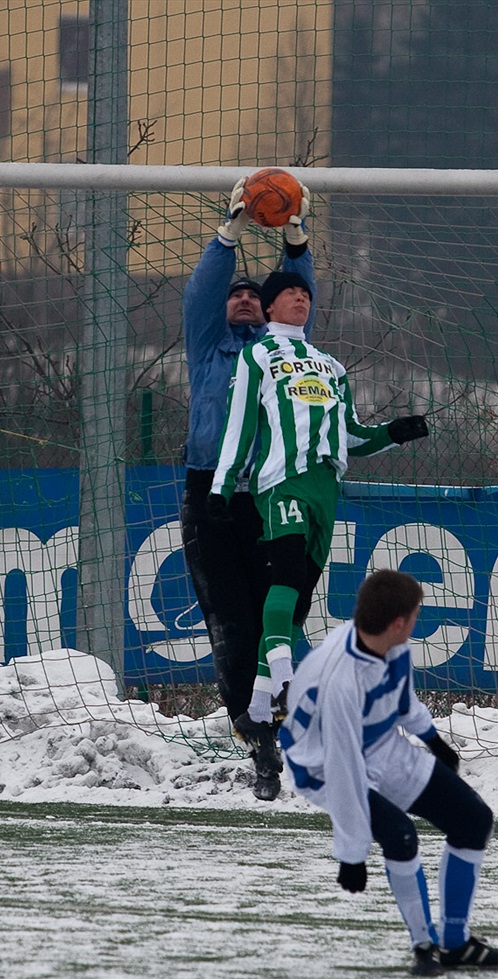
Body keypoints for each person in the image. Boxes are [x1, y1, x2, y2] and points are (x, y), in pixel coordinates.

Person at [207, 274, 428, 798]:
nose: (301, 297)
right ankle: (286, 673)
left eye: (306, 293)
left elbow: (351, 434)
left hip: (326, 488)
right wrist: (221, 488)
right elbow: (239, 425)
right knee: (283, 572)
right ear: (268, 305)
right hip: (279, 480)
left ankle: (263, 712)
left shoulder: (331, 366)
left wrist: (392, 434)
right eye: (290, 292)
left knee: (299, 596)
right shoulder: (258, 356)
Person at [279, 568, 498, 977]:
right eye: (417, 614)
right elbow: (344, 767)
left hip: (379, 745)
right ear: (399, 622)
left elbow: (399, 697)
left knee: (474, 820)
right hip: (322, 765)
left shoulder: (392, 643)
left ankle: (455, 944)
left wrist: (432, 739)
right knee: (400, 836)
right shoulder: (340, 682)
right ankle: (425, 947)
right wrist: (351, 854)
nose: (418, 620)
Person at [180, 175, 316, 800]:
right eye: (233, 295)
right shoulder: (208, 350)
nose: (241, 300)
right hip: (209, 493)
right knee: (229, 620)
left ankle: (296, 724)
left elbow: (298, 297)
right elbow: (201, 296)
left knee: (276, 618)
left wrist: (295, 241)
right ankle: (256, 735)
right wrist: (228, 235)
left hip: (266, 494)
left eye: (251, 297)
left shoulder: (279, 354)